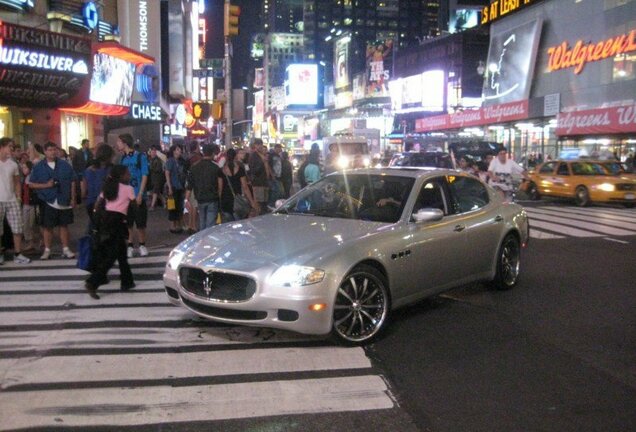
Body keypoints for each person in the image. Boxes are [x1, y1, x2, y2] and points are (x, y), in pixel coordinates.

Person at [85, 165, 136, 300]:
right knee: (112, 255)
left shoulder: (108, 187)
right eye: (127, 173)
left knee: (121, 253)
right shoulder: (128, 189)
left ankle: (127, 281)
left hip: (105, 220)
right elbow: (134, 205)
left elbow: (97, 204)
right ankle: (93, 282)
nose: (129, 175)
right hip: (118, 221)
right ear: (122, 176)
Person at [29, 141, 77, 260]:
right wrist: (46, 185)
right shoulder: (39, 167)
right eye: (50, 150)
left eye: (54, 149)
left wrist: (73, 197)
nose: (53, 152)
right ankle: (47, 249)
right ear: (45, 152)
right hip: (47, 199)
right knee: (47, 226)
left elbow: (72, 181)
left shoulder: (65, 165)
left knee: (64, 225)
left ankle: (66, 248)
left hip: (63, 198)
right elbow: (31, 184)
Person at [117, 133, 149, 258]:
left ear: (125, 143)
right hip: (125, 196)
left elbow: (144, 175)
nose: (117, 144)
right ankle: (130, 245)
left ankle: (142, 244)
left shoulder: (140, 157)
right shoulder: (122, 159)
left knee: (141, 222)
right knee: (128, 222)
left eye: (119, 142)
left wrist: (140, 193)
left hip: (137, 193)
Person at [0, 137, 31, 264]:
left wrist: (18, 196)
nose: (11, 149)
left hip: (12, 199)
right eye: (10, 147)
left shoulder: (13, 164)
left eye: (12, 147)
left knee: (17, 227)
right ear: (2, 146)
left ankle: (18, 253)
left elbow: (17, 182)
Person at [185, 144, 222, 230]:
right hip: (213, 198)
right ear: (213, 153)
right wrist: (219, 196)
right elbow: (220, 185)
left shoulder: (194, 167)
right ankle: (208, 240)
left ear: (203, 153)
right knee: (210, 223)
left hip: (200, 198)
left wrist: (186, 199)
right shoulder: (216, 167)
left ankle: (202, 239)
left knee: (202, 221)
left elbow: (189, 185)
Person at [220, 148, 259, 222]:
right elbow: (245, 187)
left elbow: (220, 189)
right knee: (238, 223)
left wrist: (218, 203)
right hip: (237, 201)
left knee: (227, 225)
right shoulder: (240, 169)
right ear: (235, 156)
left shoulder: (221, 171)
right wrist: (252, 201)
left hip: (225, 201)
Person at [82, 143, 114, 230]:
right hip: (105, 202)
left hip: (90, 202)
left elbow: (84, 189)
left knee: (94, 225)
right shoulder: (110, 170)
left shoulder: (88, 169)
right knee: (106, 228)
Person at [165, 144, 187, 233]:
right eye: (178, 149)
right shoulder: (170, 161)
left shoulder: (181, 161)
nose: (180, 151)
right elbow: (167, 173)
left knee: (179, 206)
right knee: (172, 207)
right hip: (173, 186)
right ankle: (172, 226)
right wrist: (169, 187)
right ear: (173, 151)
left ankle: (178, 225)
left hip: (180, 187)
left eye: (180, 149)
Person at [248, 139, 272, 214]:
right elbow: (254, 170)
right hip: (258, 183)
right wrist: (263, 162)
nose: (260, 146)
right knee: (259, 203)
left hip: (265, 182)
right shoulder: (253, 156)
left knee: (265, 203)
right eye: (258, 144)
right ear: (255, 145)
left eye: (260, 144)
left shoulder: (263, 155)